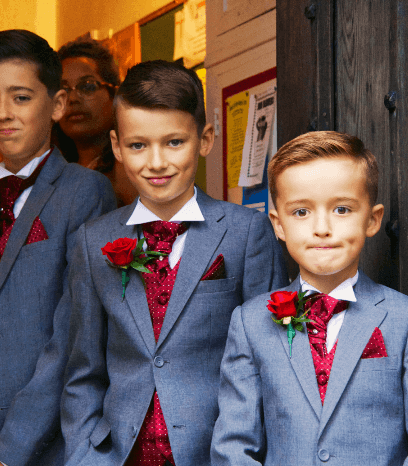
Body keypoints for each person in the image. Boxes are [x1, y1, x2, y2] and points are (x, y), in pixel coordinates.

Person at [60, 60, 289, 466]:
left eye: (173, 143)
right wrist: (85, 457)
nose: (156, 162)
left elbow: (269, 364)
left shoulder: (246, 234)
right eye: (137, 145)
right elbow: (84, 371)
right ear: (116, 146)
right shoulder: (92, 242)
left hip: (217, 454)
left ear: (204, 139)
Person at [0, 29, 116, 466]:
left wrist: (9, 450)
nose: (2, 114)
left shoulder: (86, 193)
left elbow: (75, 330)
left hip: (52, 444)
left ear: (56, 105)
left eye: (20, 97)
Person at [210, 131, 408, 465]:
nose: (322, 228)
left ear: (372, 219)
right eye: (301, 212)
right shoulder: (250, 322)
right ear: (278, 225)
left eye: (342, 209)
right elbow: (233, 446)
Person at [55, 37, 137, 206]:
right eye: (63, 89)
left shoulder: (127, 165)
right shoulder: (57, 170)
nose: (72, 98)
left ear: (114, 96)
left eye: (87, 86)